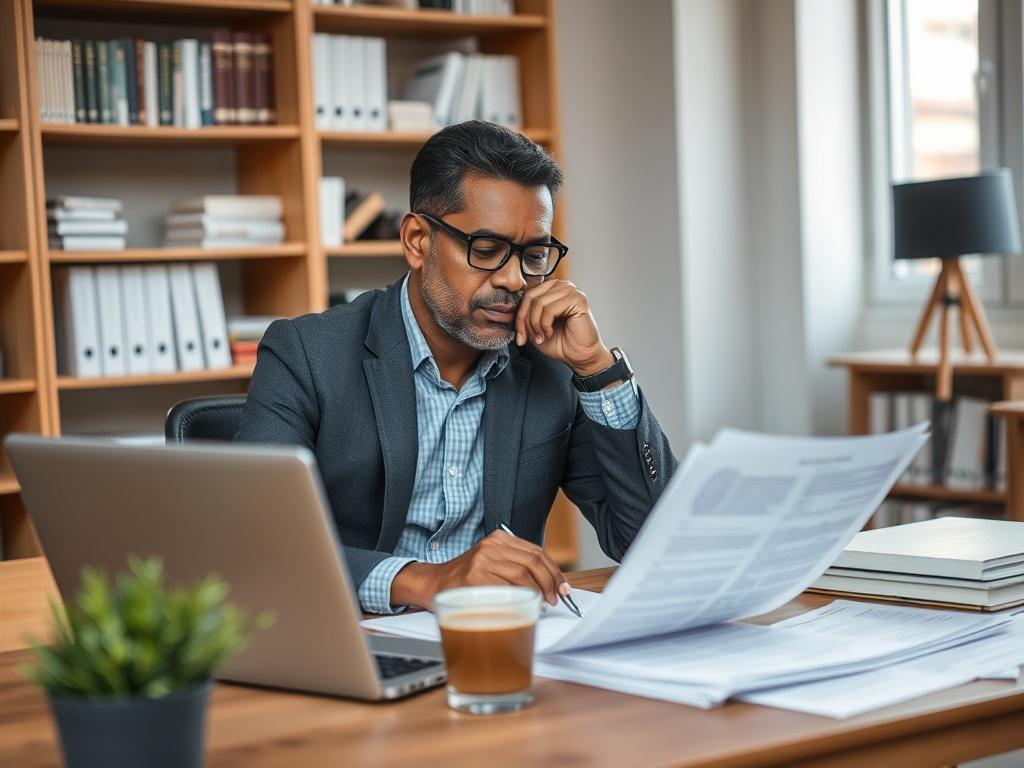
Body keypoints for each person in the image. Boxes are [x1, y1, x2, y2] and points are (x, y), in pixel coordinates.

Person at [236, 120, 677, 614]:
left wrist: (597, 370)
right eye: (486, 251)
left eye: (534, 255)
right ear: (418, 241)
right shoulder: (308, 354)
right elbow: (260, 544)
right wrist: (426, 581)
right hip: (353, 643)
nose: (515, 280)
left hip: (504, 641)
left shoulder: (551, 365)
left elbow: (654, 543)